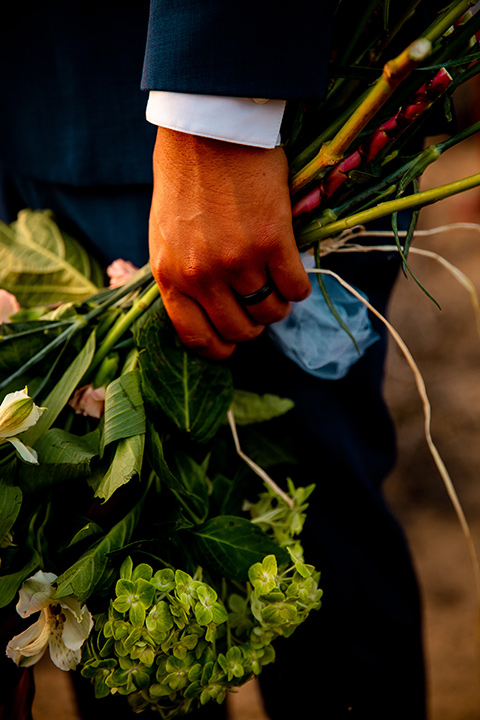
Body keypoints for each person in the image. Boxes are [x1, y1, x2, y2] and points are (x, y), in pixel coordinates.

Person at [0, 2, 426, 717]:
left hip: (185, 134)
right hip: (35, 109)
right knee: (95, 540)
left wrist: (219, 112)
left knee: (311, 531)